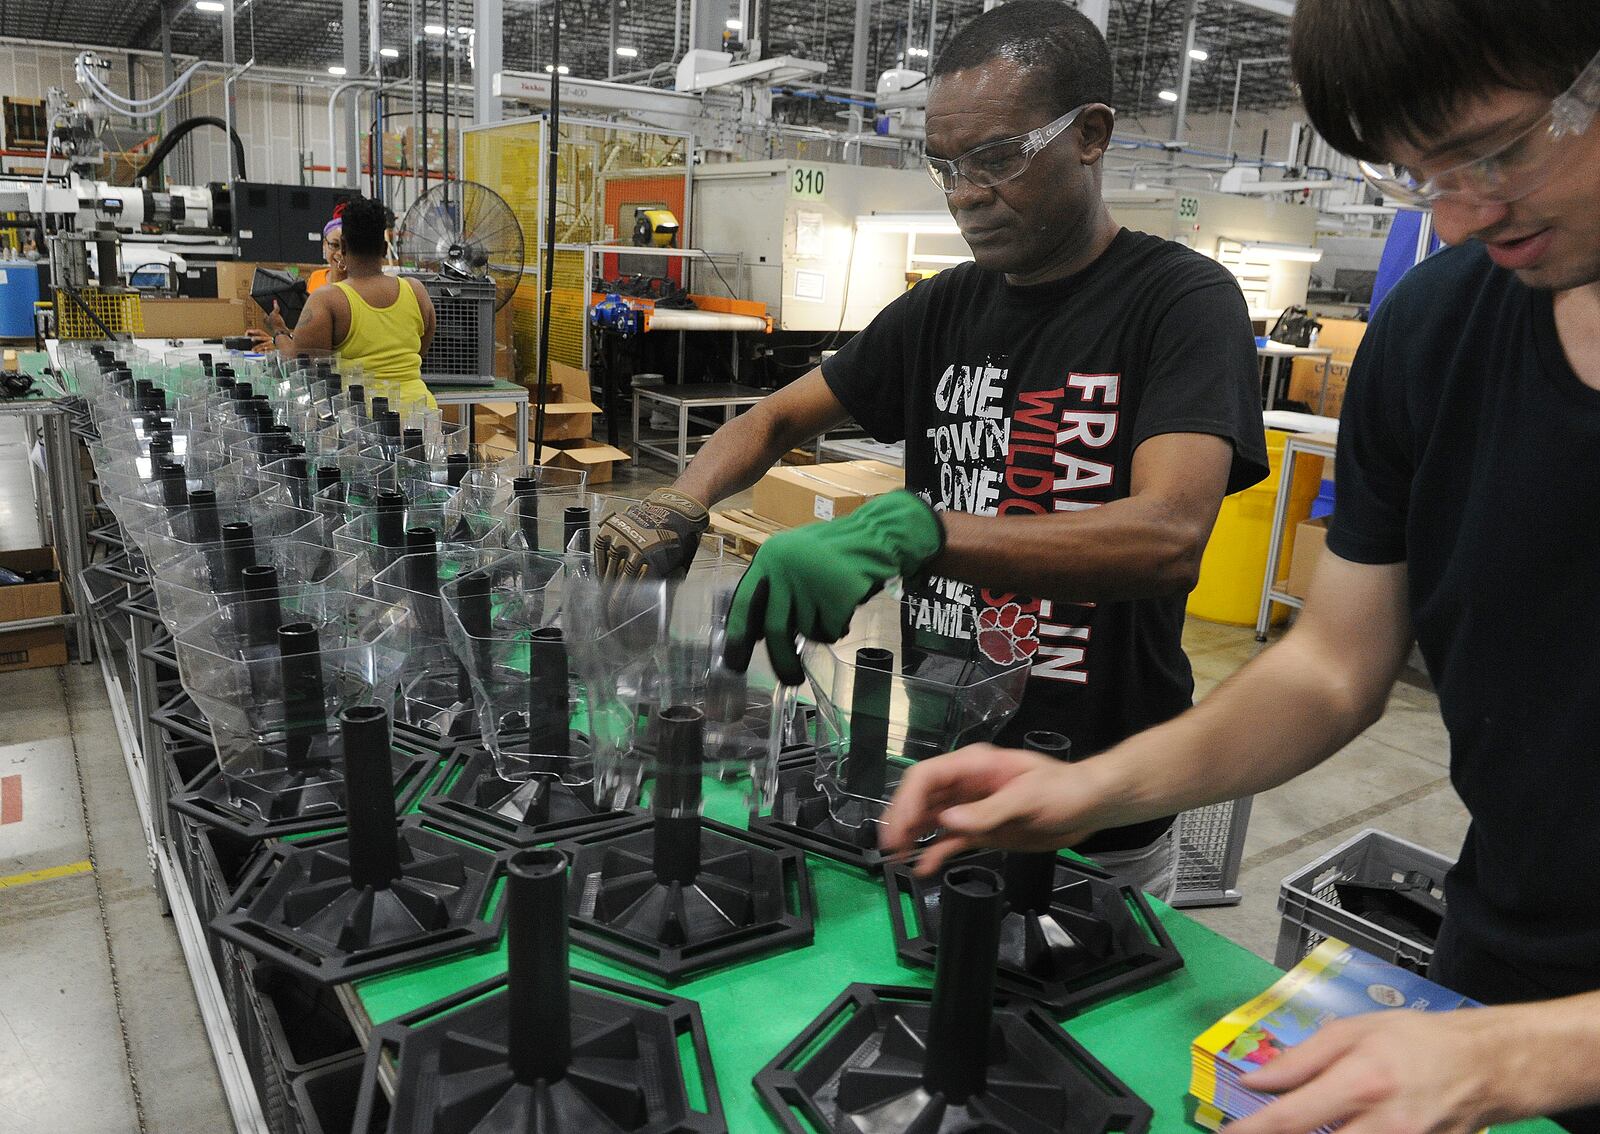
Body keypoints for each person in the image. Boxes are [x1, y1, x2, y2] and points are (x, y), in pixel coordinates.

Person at [881, 1, 1600, 1130]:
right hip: (1487, 977)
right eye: (1417, 177)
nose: (1457, 218)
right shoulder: (1439, 331)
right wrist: (1090, 789)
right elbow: (1329, 668)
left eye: (1498, 151)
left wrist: (1528, 1054)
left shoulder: (1177, 301)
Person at [593, 0, 1267, 899]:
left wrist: (914, 532)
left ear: (1091, 135)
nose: (964, 195)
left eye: (996, 158)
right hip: (941, 772)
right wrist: (682, 499)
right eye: (944, 165)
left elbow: (1169, 536)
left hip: (1095, 806)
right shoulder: (944, 307)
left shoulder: (1178, 302)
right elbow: (774, 420)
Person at [250, 195, 438, 413]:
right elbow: (421, 349)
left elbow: (298, 368)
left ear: (344, 247)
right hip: (422, 415)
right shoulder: (415, 290)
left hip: (365, 424)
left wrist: (279, 330)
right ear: (385, 248)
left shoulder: (328, 299)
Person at [305, 206, 346, 293]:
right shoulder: (315, 277)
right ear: (324, 244)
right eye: (335, 245)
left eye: (347, 247)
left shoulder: (359, 285)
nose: (340, 253)